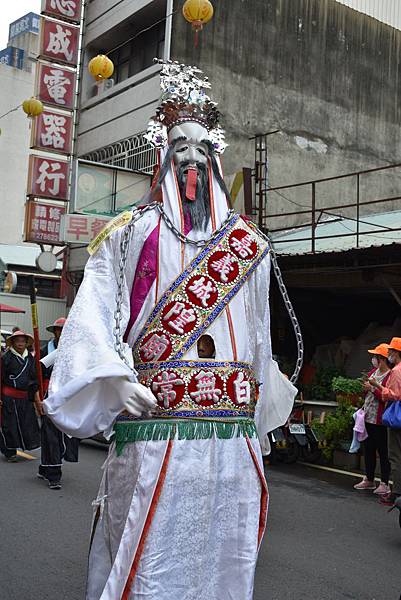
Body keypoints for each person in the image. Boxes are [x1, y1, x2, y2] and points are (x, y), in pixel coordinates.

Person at [44, 60, 297, 599]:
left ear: (215, 158)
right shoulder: (130, 233)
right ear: (163, 157)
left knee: (224, 556)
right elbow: (93, 314)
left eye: (201, 147)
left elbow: (258, 337)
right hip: (155, 425)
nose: (190, 157)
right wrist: (115, 378)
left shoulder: (248, 245)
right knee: (147, 551)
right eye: (179, 144)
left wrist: (257, 407)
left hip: (230, 437)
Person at [37, 318, 79, 490]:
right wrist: (37, 399)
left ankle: (45, 467)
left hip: (68, 397)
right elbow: (35, 377)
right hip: (49, 397)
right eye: (59, 330)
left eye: (65, 330)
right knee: (51, 435)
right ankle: (54, 474)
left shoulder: (75, 353)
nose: (62, 333)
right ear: (54, 332)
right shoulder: (44, 352)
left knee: (64, 434)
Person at [354, 344, 391, 494]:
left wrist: (372, 389)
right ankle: (369, 479)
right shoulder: (373, 372)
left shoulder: (390, 375)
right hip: (367, 417)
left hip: (380, 420)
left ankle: (384, 482)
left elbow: (387, 397)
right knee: (368, 449)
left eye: (375, 357)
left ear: (382, 359)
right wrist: (365, 389)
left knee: (383, 451)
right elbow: (368, 392)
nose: (373, 359)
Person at [369, 337, 401, 506]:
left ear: (396, 353)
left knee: (395, 456)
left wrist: (378, 386)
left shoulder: (396, 371)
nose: (389, 355)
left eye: (391, 352)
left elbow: (394, 395)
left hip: (397, 418)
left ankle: (395, 493)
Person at [0, 330, 41, 461]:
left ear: (26, 343)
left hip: (24, 398)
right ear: (12, 342)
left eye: (23, 341)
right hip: (9, 397)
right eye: (17, 341)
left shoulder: (30, 358)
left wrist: (36, 399)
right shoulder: (5, 358)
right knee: (9, 425)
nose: (20, 343)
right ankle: (10, 451)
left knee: (27, 424)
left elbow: (34, 378)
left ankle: (24, 445)